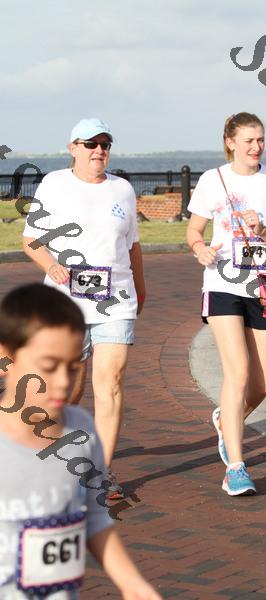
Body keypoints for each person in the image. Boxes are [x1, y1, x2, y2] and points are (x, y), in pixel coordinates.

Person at [0, 283, 161, 599]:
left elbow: (95, 517)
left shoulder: (81, 430)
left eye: (73, 367)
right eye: (48, 367)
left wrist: (132, 584)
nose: (63, 382)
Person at [22, 118, 145, 500]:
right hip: (66, 303)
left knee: (111, 382)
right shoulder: (54, 185)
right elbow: (31, 239)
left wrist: (140, 289)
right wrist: (51, 265)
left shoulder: (122, 189)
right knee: (68, 389)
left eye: (105, 144)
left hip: (115, 300)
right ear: (73, 148)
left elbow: (132, 246)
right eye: (90, 144)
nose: (99, 150)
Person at [186, 112, 266, 496]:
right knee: (237, 372)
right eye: (249, 140)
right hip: (222, 284)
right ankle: (236, 467)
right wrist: (199, 248)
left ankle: (226, 420)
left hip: (264, 288)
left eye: (261, 139)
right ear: (230, 142)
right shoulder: (212, 180)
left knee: (263, 383)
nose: (256, 147)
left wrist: (263, 230)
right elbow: (194, 229)